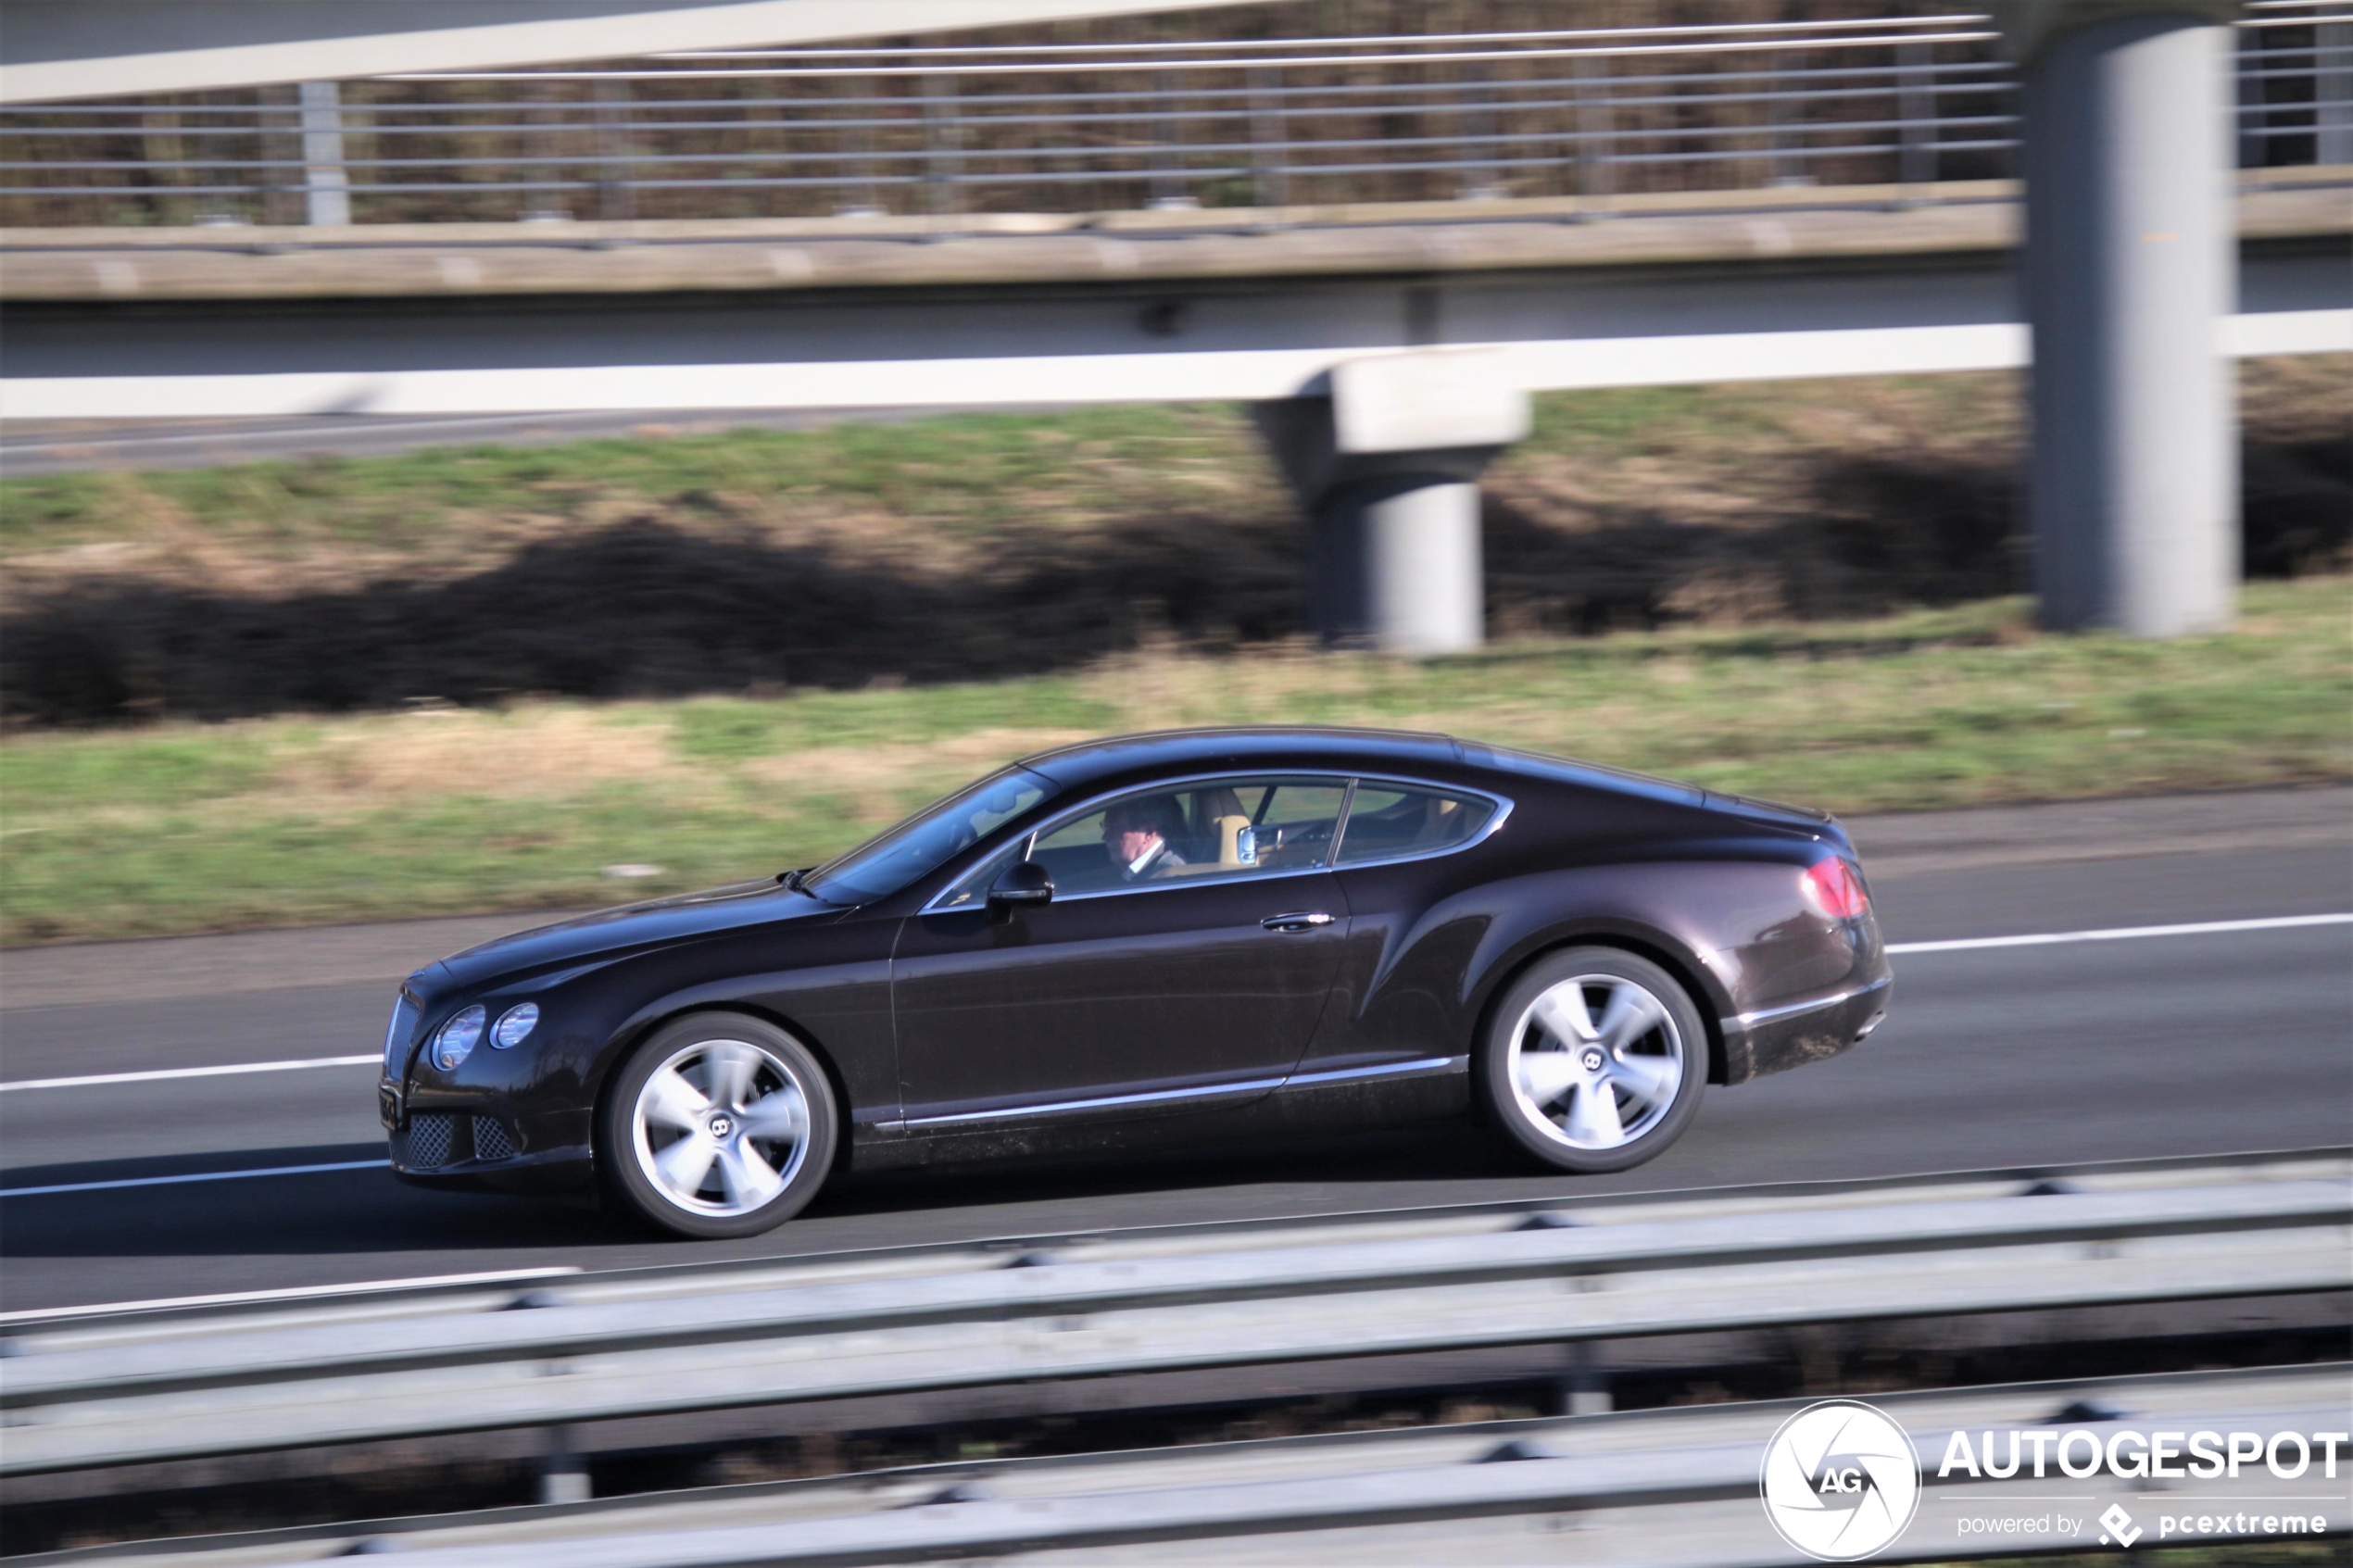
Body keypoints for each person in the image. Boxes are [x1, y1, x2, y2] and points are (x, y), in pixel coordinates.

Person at [1101, 797, 1188, 882]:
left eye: (1114, 829)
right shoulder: (1146, 871)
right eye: (1106, 828)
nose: (1105, 837)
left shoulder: (1167, 878)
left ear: (1148, 833)